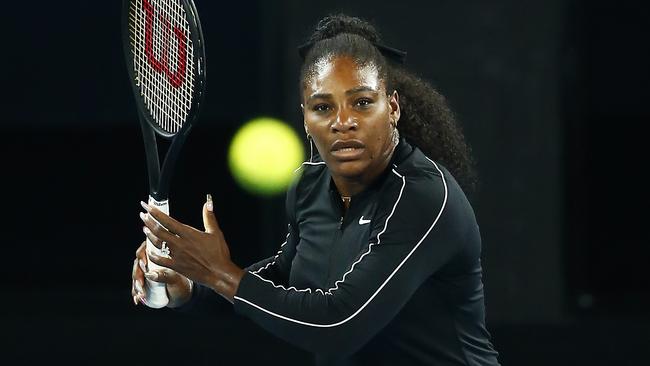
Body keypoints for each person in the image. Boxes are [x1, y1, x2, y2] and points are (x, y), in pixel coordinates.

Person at [131, 13, 500, 366]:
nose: (343, 122)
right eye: (323, 107)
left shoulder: (423, 197)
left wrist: (217, 272)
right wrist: (194, 286)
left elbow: (339, 326)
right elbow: (285, 275)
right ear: (306, 119)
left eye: (362, 102)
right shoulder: (309, 187)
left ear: (392, 108)